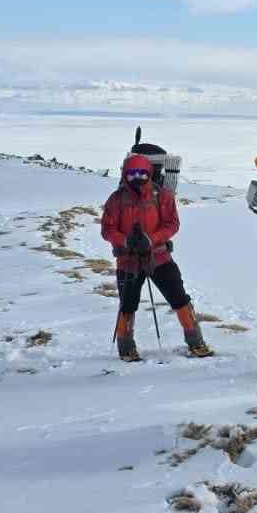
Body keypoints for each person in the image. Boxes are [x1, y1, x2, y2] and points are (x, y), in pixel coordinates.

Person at [100, 153, 213, 361]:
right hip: (128, 260)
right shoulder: (116, 200)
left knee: (179, 297)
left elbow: (172, 224)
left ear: (149, 173)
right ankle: (126, 348)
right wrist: (126, 241)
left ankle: (196, 342)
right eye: (132, 173)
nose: (137, 177)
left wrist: (151, 240)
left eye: (141, 173)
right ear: (125, 175)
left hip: (159, 256)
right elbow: (107, 229)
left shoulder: (162, 196)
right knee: (128, 304)